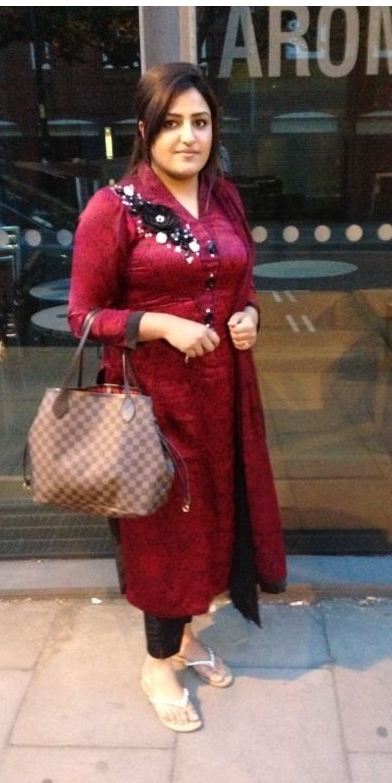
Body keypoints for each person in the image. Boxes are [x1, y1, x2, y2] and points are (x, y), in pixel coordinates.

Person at [68, 62, 287, 733]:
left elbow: (240, 285)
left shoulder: (225, 199)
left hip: (223, 399)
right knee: (163, 533)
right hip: (152, 406)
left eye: (200, 122)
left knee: (212, 522)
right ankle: (156, 663)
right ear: (144, 130)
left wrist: (248, 317)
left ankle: (186, 637)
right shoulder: (114, 209)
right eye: (172, 123)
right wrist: (161, 324)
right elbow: (82, 316)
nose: (188, 136)